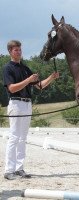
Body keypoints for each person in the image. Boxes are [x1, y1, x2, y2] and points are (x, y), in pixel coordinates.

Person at [2, 40, 59, 180]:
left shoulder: (25, 68)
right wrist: (28, 80)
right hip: (16, 103)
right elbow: (12, 88)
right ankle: (9, 170)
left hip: (27, 104)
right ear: (10, 51)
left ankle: (19, 168)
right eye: (16, 50)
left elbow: (39, 86)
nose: (19, 52)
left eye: (20, 49)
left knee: (23, 138)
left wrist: (51, 77)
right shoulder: (7, 68)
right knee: (14, 137)